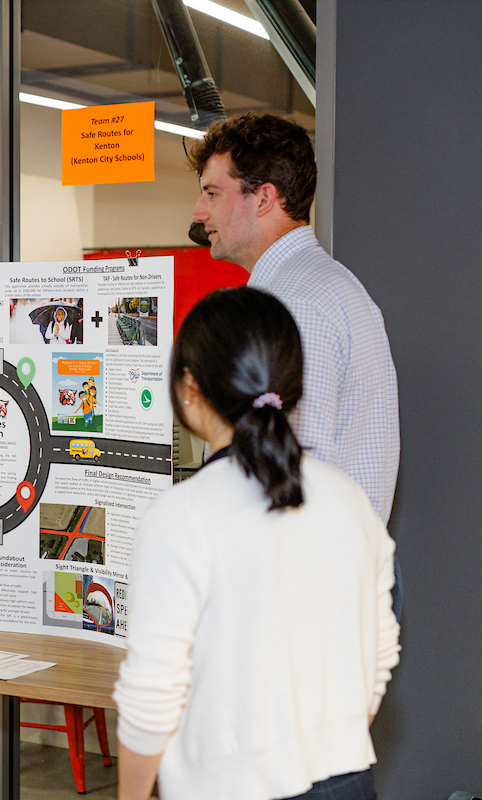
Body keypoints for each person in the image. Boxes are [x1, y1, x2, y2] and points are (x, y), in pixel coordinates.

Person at [113, 287, 400, 800]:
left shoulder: (183, 516)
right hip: (347, 783)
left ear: (190, 387)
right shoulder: (349, 499)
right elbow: (380, 651)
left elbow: (152, 695)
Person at [189, 112, 403, 615]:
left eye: (213, 193)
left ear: (263, 198)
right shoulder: (319, 285)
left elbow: (293, 465)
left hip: (308, 587)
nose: (198, 211)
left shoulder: (294, 304)